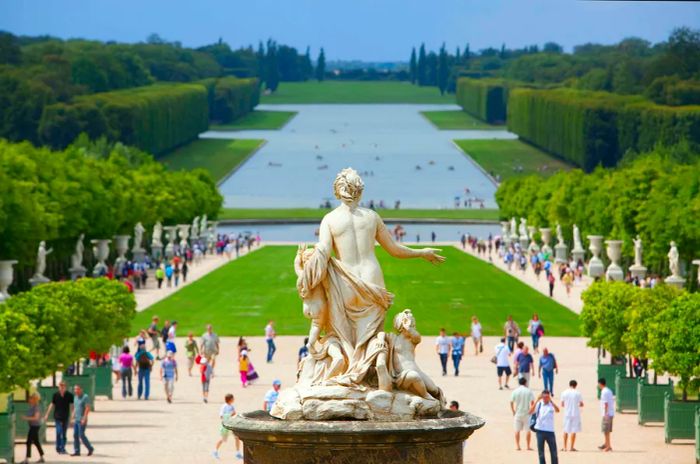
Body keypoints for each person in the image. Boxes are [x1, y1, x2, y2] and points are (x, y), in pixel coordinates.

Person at [529, 390, 560, 464]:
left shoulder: (551, 405)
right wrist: (537, 400)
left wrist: (551, 401)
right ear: (542, 397)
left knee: (553, 451)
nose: (545, 398)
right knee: (541, 452)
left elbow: (558, 410)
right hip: (540, 430)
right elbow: (530, 411)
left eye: (547, 397)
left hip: (550, 431)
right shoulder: (539, 404)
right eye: (544, 397)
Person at [43, 381, 73, 455]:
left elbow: (72, 406)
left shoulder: (69, 395)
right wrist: (47, 414)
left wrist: (72, 416)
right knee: (59, 432)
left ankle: (62, 448)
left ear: (65, 387)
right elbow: (52, 404)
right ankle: (58, 447)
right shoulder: (55, 395)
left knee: (64, 433)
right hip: (57, 416)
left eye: (63, 386)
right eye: (60, 386)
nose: (62, 388)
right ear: (59, 387)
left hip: (65, 416)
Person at [212, 393, 242, 460]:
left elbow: (234, 415)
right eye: (233, 398)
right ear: (230, 399)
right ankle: (215, 451)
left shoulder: (232, 406)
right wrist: (230, 414)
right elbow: (221, 416)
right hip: (225, 426)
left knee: (236, 438)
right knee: (223, 440)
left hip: (231, 425)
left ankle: (238, 453)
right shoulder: (224, 407)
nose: (234, 399)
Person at [510, 377, 535, 451]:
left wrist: (513, 411)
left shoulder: (515, 391)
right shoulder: (529, 391)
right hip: (527, 413)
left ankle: (518, 446)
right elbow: (532, 402)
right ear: (525, 383)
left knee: (517, 430)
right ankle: (528, 446)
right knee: (528, 430)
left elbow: (511, 402)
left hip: (518, 413)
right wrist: (531, 410)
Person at [20, 393, 45, 464]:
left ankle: (27, 459)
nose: (29, 399)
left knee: (28, 442)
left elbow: (36, 418)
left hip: (35, 426)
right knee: (36, 442)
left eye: (31, 398)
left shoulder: (36, 407)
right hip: (32, 426)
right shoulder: (31, 406)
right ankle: (42, 457)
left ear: (34, 399)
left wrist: (26, 418)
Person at [71, 384, 94, 457]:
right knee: (75, 435)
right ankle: (77, 451)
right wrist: (72, 416)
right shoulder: (75, 397)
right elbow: (75, 407)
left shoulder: (85, 397)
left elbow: (87, 408)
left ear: (81, 389)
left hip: (82, 419)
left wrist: (84, 418)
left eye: (77, 389)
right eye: (75, 389)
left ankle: (90, 448)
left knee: (81, 435)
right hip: (76, 419)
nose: (76, 391)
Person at [560, 380, 583, 452]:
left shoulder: (564, 392)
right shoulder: (578, 393)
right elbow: (581, 404)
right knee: (574, 430)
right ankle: (572, 447)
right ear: (576, 385)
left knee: (565, 430)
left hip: (567, 413)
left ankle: (564, 447)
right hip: (575, 413)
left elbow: (562, 404)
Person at [598, 378, 614, 452]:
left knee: (606, 431)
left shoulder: (604, 392)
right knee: (607, 430)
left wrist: (605, 414)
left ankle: (608, 446)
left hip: (607, 414)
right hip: (610, 413)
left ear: (600, 384)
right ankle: (606, 443)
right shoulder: (608, 390)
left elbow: (606, 404)